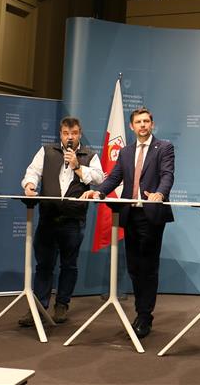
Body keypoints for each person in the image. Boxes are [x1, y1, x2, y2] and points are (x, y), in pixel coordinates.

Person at [81, 107, 174, 339]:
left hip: (151, 215)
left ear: (152, 124)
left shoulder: (164, 147)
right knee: (134, 267)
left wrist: (160, 194)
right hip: (130, 214)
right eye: (138, 122)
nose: (142, 125)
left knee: (148, 268)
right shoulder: (125, 152)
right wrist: (99, 193)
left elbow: (167, 175)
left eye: (146, 121)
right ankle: (141, 311)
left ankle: (145, 315)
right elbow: (114, 177)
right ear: (131, 127)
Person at [19, 116, 104, 326]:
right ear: (60, 134)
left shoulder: (89, 155)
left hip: (73, 220)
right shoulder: (47, 151)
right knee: (44, 265)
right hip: (48, 218)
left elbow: (100, 178)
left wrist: (77, 166)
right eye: (66, 133)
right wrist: (29, 185)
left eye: (74, 133)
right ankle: (38, 309)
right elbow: (33, 171)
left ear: (80, 134)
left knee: (69, 265)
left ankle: (62, 305)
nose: (70, 137)